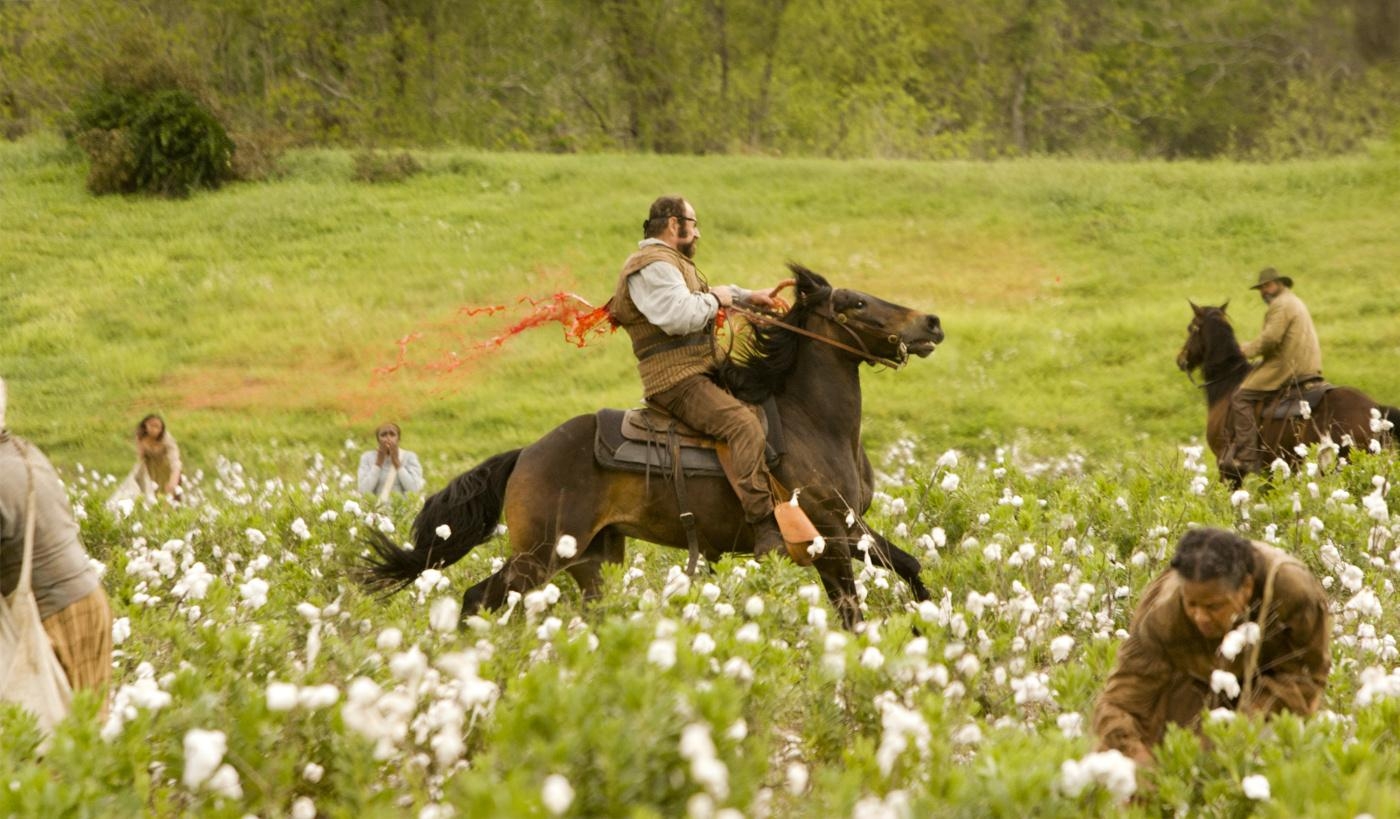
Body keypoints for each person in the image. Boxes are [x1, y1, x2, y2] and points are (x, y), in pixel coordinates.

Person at [607, 195, 791, 555]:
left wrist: (749, 297)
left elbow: (700, 297)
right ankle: (765, 527)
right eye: (694, 224)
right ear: (675, 225)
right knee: (741, 424)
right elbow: (679, 316)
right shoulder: (651, 266)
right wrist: (721, 298)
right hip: (677, 382)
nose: (699, 233)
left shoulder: (668, 262)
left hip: (702, 370)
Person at [1092, 527, 1330, 765]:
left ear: (1246, 587)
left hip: (1271, 682)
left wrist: (1242, 727)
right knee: (1170, 761)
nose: (1200, 617)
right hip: (1192, 681)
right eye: (1192, 604)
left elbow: (1307, 675)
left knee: (1259, 754)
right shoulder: (1163, 614)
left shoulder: (1291, 590)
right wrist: (1135, 757)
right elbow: (1123, 699)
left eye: (1213, 607)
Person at [0, 377, 114, 704]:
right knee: (81, 729)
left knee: (54, 735)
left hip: (55, 617)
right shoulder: (22, 451)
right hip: (85, 600)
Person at [1220, 268, 1322, 477]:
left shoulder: (1280, 305)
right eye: (1261, 288)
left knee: (1241, 397)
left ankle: (1247, 456)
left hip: (1287, 366)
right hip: (1306, 362)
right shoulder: (1294, 301)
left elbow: (1270, 339)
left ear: (1278, 284)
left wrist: (1246, 350)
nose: (1263, 292)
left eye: (1267, 286)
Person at [111, 413, 183, 505]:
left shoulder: (166, 439)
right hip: (150, 469)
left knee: (169, 497)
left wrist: (173, 480)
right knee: (149, 494)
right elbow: (140, 457)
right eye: (152, 425)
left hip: (166, 470)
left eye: (157, 427)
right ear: (145, 425)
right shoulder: (141, 437)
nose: (154, 429)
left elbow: (175, 459)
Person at [358, 422, 425, 501]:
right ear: (378, 439)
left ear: (398, 439)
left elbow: (414, 489)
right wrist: (378, 463)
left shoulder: (409, 457)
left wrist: (397, 463)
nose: (388, 438)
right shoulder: (367, 457)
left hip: (401, 511)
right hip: (375, 511)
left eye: (392, 434)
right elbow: (363, 490)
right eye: (383, 435)